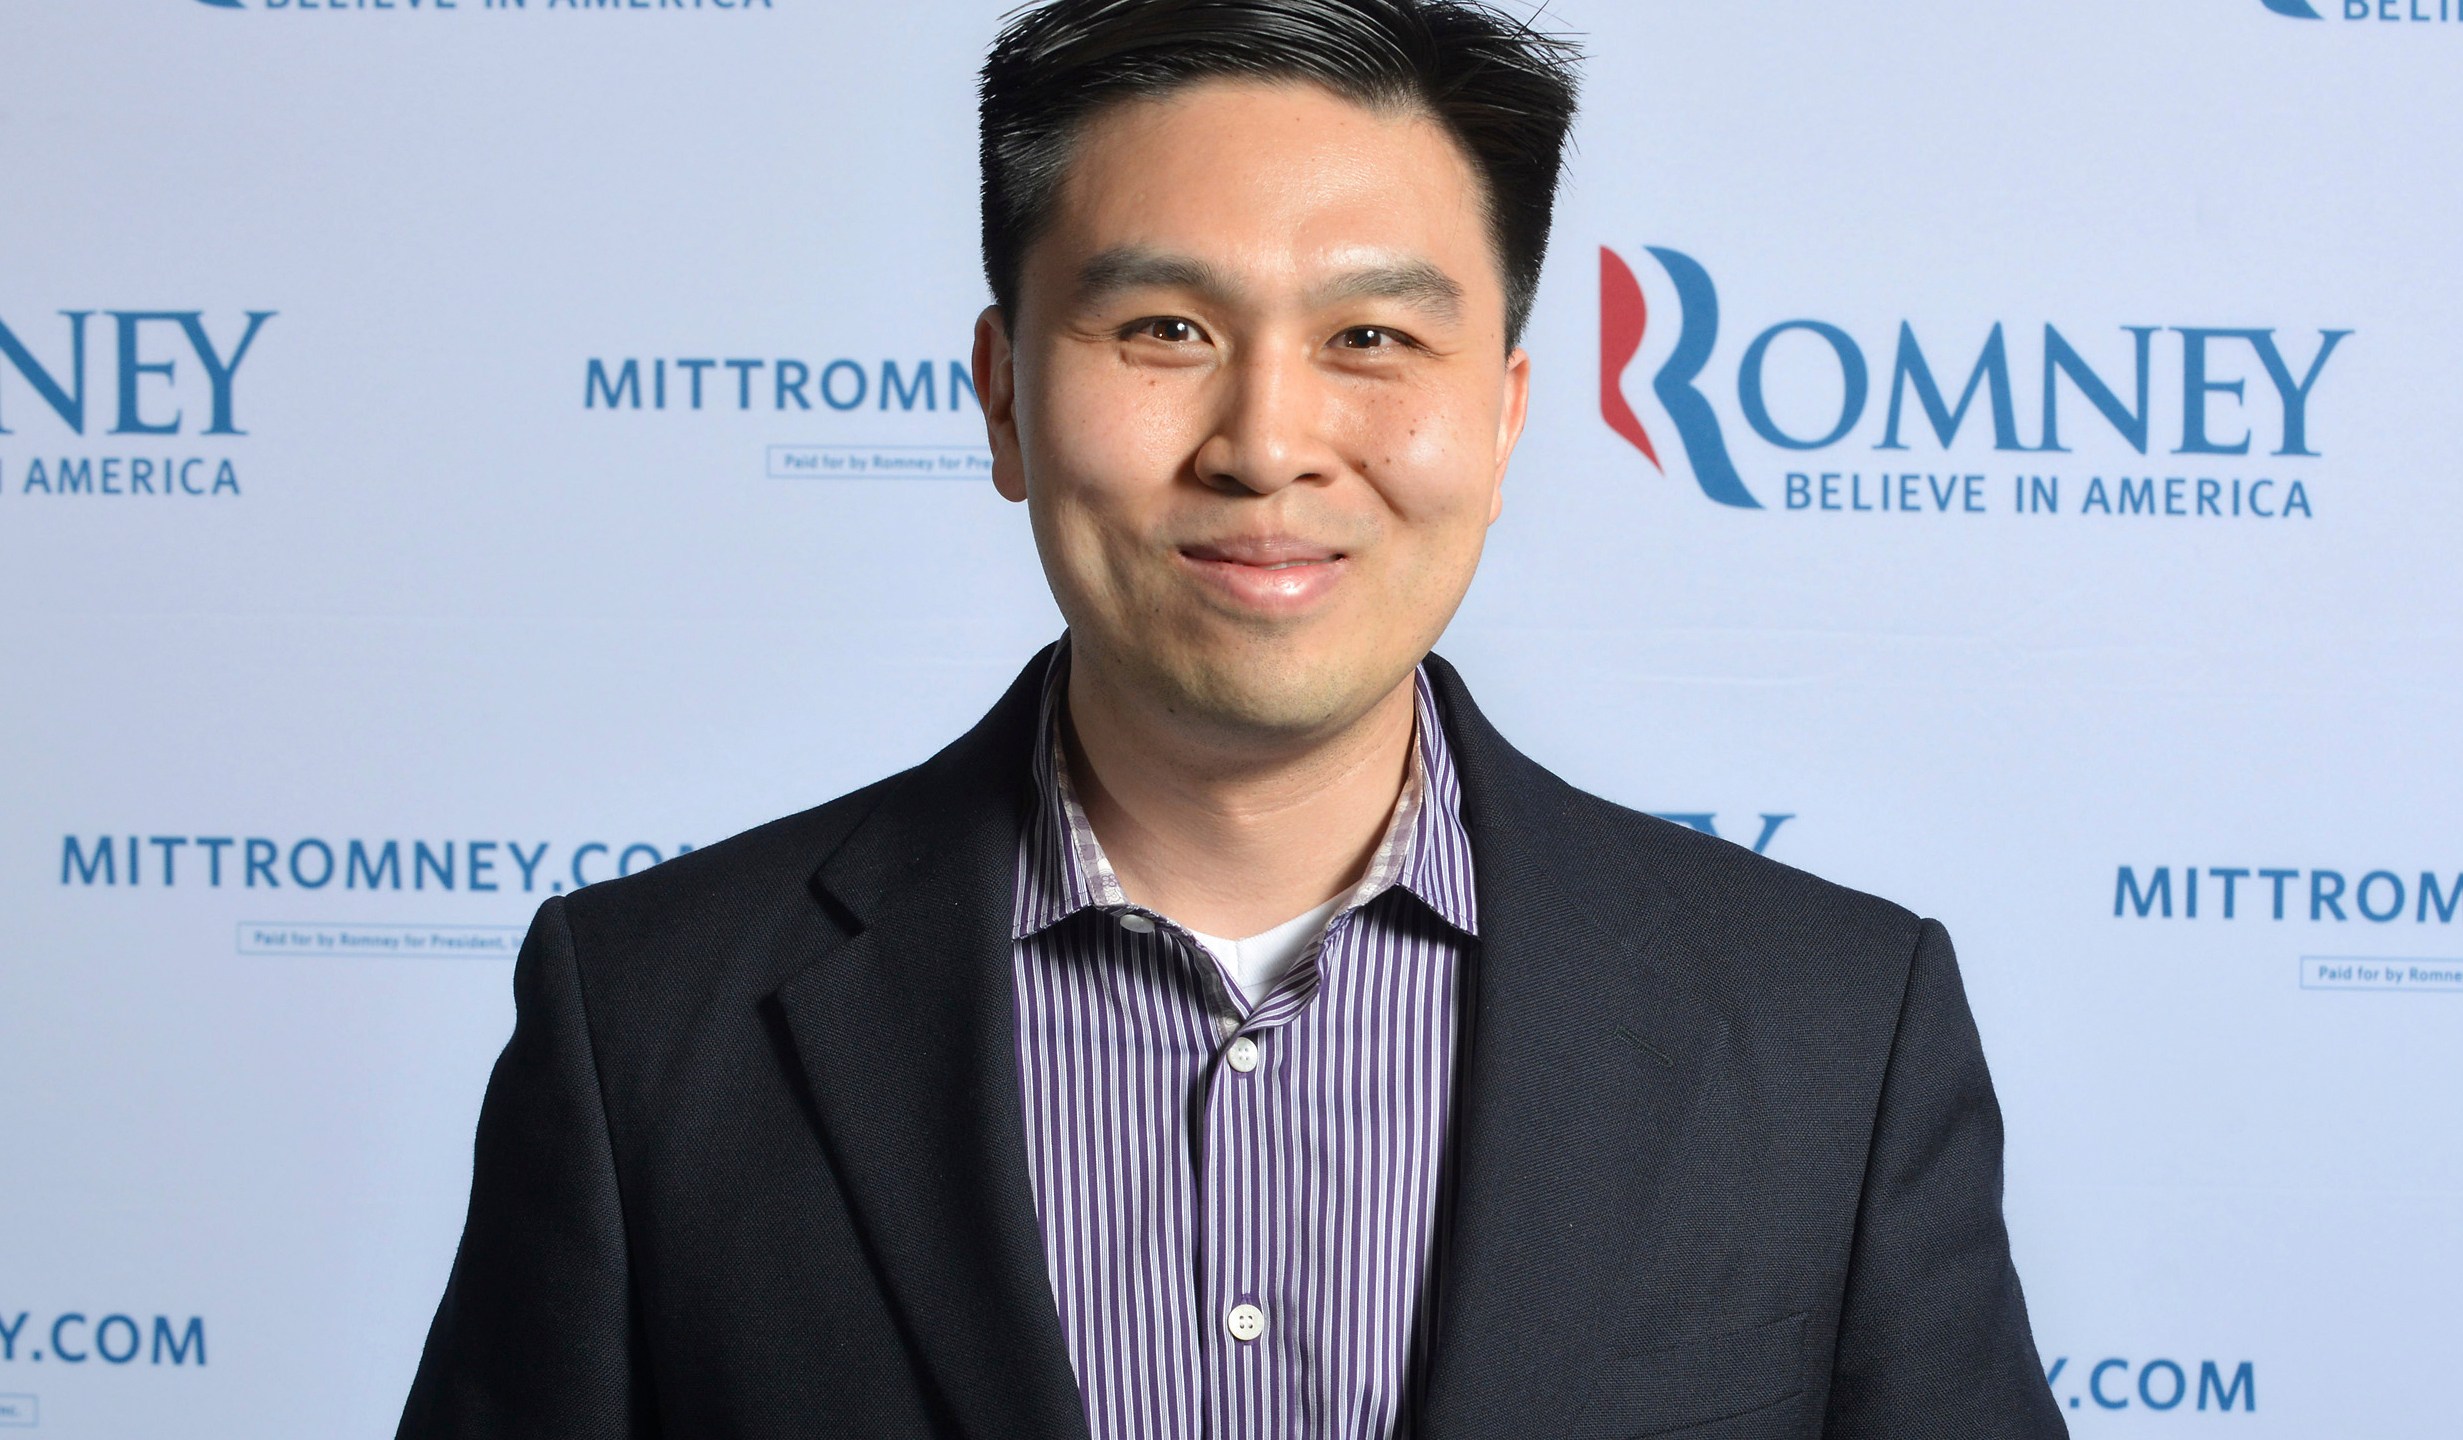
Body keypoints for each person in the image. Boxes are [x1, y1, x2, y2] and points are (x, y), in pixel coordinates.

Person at [397, 2, 2068, 1436]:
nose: (1267, 441)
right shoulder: (648, 1025)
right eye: (1165, 331)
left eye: (1370, 337)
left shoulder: (1833, 1033)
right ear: (1002, 397)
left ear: (1500, 424)